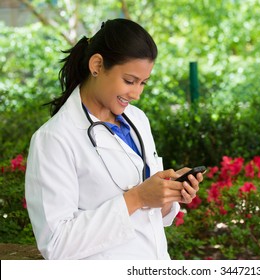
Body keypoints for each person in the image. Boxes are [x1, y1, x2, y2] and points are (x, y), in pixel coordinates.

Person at [25, 18, 203, 260]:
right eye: (129, 81)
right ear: (97, 65)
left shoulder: (137, 120)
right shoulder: (53, 139)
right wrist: (137, 197)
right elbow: (55, 244)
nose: (137, 93)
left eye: (143, 83)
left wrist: (168, 193)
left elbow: (150, 217)